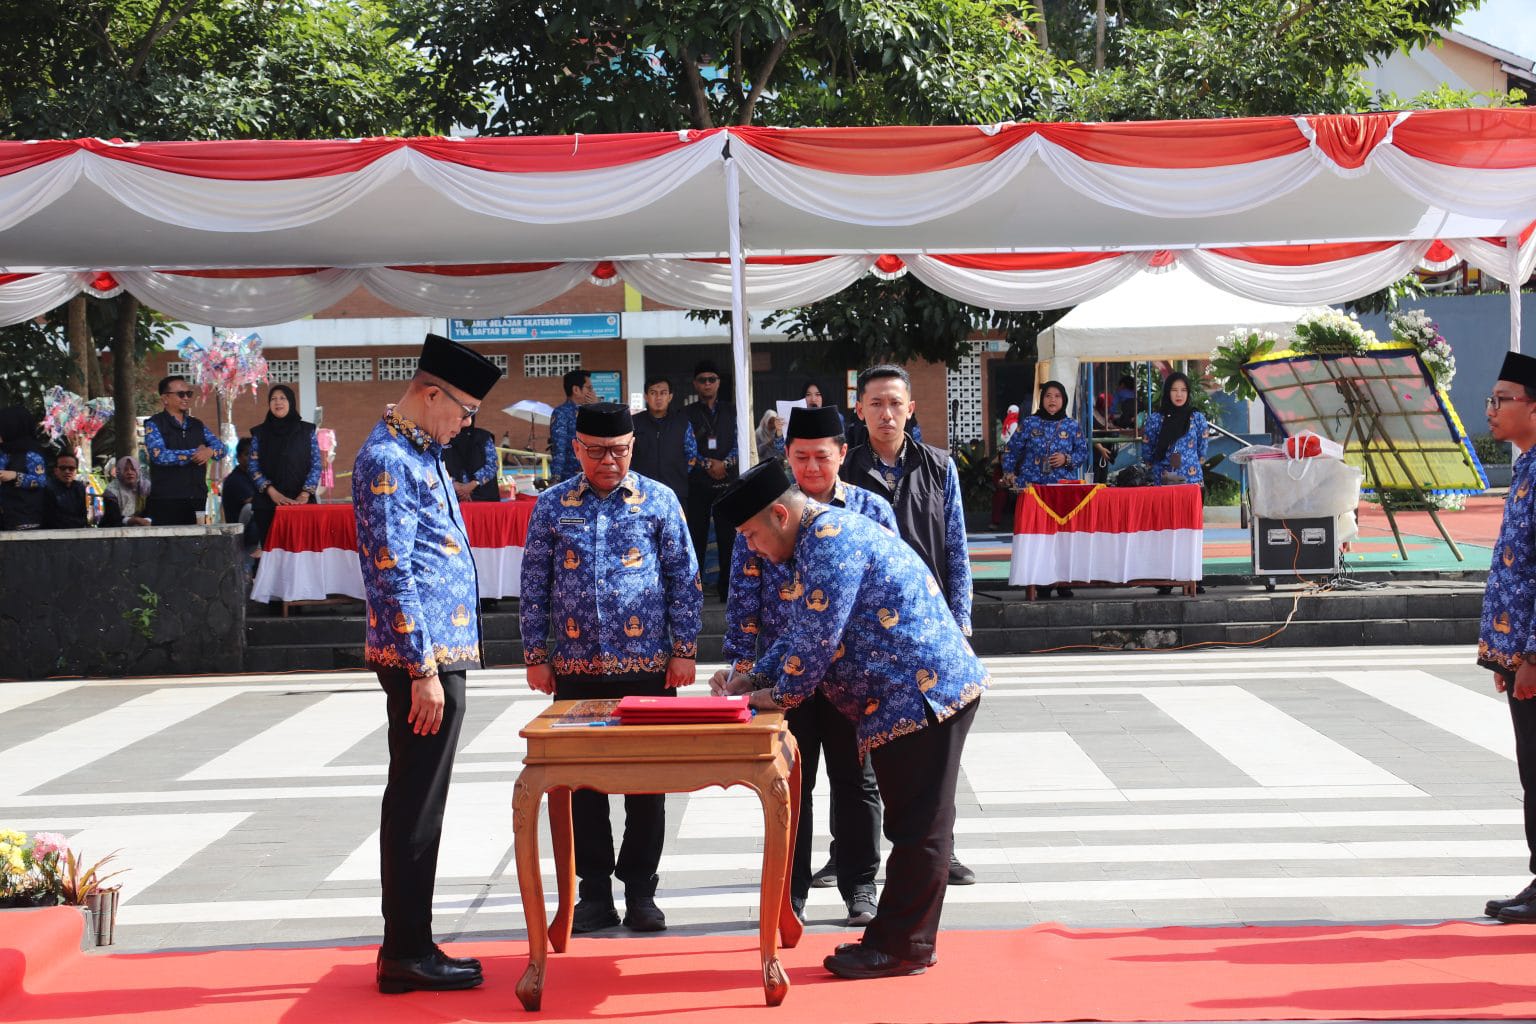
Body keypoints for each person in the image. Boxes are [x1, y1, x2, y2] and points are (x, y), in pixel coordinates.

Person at [711, 460, 988, 979]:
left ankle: (904, 947)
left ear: (779, 514)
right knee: (916, 823)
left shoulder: (831, 540)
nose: (750, 548)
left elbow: (816, 643)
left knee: (918, 826)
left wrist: (770, 698)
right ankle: (895, 937)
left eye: (751, 534)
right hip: (905, 692)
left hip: (921, 692)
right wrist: (750, 679)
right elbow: (800, 631)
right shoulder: (816, 538)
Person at [353, 332, 503, 995]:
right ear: (430, 393)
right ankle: (406, 948)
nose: (466, 425)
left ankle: (411, 941)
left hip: (439, 657)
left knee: (424, 799)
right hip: (424, 660)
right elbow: (391, 570)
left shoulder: (422, 452)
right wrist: (422, 669)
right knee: (415, 801)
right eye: (464, 411)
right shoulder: (388, 459)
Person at [520, 402, 702, 935]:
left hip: (648, 669)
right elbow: (534, 584)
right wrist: (536, 655)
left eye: (618, 450)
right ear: (576, 449)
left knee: (648, 786)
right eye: (597, 451)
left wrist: (684, 649)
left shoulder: (659, 501)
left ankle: (642, 891)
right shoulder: (553, 506)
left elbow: (683, 578)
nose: (608, 461)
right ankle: (594, 894)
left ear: (631, 447)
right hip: (576, 670)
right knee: (582, 787)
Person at [723, 406, 894, 927]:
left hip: (849, 671)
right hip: (784, 674)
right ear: (787, 457)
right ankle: (788, 891)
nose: (813, 468)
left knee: (857, 780)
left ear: (843, 454)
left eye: (823, 456)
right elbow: (744, 596)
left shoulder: (870, 508)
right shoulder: (764, 509)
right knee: (791, 781)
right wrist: (743, 666)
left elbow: (887, 588)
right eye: (801, 457)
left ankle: (860, 884)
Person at [840, 364, 976, 886]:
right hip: (863, 635)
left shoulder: (939, 466)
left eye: (895, 403)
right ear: (860, 409)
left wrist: (960, 622)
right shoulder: (845, 470)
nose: (886, 413)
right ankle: (856, 856)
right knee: (865, 752)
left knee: (936, 748)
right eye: (876, 403)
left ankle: (942, 848)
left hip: (928, 629)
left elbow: (957, 549)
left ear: (911, 408)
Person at [1478, 352, 1536, 925]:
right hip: (1518, 648)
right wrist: (1505, 653)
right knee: (1531, 769)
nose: (1491, 411)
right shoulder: (1525, 466)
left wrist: (1533, 655)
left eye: (1502, 400)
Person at [684, 360, 739, 601]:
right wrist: (707, 464)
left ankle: (727, 589)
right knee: (695, 536)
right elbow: (685, 446)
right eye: (703, 380)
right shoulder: (686, 413)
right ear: (695, 384)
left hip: (728, 483)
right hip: (698, 483)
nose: (707, 384)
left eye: (712, 379)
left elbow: (741, 441)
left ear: (718, 383)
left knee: (730, 538)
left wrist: (725, 464)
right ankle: (694, 591)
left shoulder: (733, 410)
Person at [143, 375, 225, 526]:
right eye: (181, 394)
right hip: (166, 500)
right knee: (166, 546)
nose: (186, 397)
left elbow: (221, 448)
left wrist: (210, 452)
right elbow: (159, 455)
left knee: (196, 547)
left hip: (197, 498)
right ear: (165, 398)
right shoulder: (154, 424)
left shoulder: (197, 425)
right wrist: (197, 453)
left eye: (189, 394)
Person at [249, 384, 321, 550]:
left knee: (303, 551)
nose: (278, 402)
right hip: (268, 504)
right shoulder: (260, 433)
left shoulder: (307, 430)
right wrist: (272, 492)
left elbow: (316, 464)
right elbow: (253, 466)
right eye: (273, 399)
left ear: (291, 402)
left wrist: (305, 493)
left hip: (301, 504)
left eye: (282, 398)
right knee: (273, 553)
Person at [630, 374, 698, 505]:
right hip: (641, 494)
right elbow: (626, 454)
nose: (658, 398)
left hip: (675, 493)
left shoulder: (682, 423)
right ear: (646, 396)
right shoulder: (633, 423)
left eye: (663, 393)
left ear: (670, 396)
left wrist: (678, 473)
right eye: (653, 393)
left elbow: (691, 455)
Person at [1002, 382, 1088, 488]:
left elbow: (1082, 453)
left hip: (1062, 488)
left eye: (1057, 396)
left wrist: (1066, 459)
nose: (1052, 400)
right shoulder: (1029, 423)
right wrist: (1009, 473)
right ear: (1042, 399)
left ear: (1064, 400)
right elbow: (1011, 449)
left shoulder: (1072, 425)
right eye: (1048, 396)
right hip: (1030, 487)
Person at [1142, 372, 1208, 486]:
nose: (1179, 395)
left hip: (1191, 480)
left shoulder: (1196, 418)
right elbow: (1147, 450)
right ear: (1167, 392)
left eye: (1183, 390)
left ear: (1188, 393)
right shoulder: (1156, 419)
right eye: (1174, 390)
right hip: (1162, 480)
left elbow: (1202, 449)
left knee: (1190, 504)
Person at [0, 406, 47, 531]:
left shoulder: (31, 454)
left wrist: (15, 476)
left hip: (25, 520)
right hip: (5, 518)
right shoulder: (5, 452)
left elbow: (41, 481)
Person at [548, 369, 596, 482]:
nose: (593, 392)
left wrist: (597, 408)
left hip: (593, 475)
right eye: (589, 388)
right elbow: (559, 448)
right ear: (576, 390)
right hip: (570, 478)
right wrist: (556, 478)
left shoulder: (591, 411)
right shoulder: (562, 413)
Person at [443, 414, 501, 502]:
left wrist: (471, 485)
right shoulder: (444, 437)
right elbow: (438, 464)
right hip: (453, 498)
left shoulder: (483, 437)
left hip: (484, 499)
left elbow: (493, 465)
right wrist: (453, 484)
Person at [102, 455, 153, 528]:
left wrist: (146, 520)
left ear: (138, 471)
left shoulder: (146, 487)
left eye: (133, 469)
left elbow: (152, 512)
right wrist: (134, 520)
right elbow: (113, 518)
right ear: (119, 471)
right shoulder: (111, 491)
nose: (130, 472)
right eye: (125, 469)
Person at [42, 453, 90, 529]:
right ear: (55, 470)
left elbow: (83, 516)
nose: (67, 471)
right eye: (63, 468)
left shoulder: (80, 488)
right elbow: (52, 518)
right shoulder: (48, 488)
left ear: (76, 471)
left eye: (71, 468)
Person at [221, 439, 258, 530]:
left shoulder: (253, 475)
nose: (251, 458)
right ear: (238, 457)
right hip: (241, 531)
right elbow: (252, 502)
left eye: (254, 454)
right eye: (247, 454)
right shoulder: (235, 479)